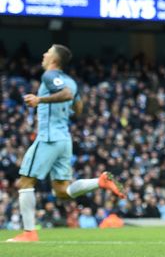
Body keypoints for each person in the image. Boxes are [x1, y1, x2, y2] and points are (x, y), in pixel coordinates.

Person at [7, 44, 125, 242]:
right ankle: (100, 181)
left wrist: (39, 100)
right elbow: (78, 108)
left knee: (25, 181)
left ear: (54, 59)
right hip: (64, 139)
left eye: (48, 52)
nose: (43, 54)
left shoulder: (48, 76)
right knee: (62, 192)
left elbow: (67, 95)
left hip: (49, 137)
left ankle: (29, 233)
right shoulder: (71, 80)